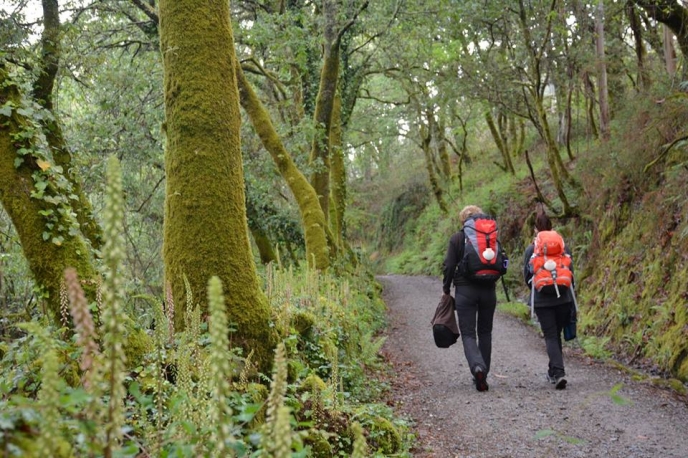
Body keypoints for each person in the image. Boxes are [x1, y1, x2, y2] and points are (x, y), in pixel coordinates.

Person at [442, 205, 497, 392]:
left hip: (465, 291)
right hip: (489, 290)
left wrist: (446, 288)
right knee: (485, 332)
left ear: (463, 221)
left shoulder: (457, 238)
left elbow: (449, 265)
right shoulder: (490, 238)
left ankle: (477, 367)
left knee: (468, 333)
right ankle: (484, 373)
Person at [523, 211, 575, 390]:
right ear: (552, 227)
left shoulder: (532, 250)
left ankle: (559, 372)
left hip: (543, 301)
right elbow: (571, 272)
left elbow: (527, 276)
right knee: (556, 334)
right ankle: (553, 370)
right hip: (564, 298)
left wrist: (540, 288)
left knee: (551, 335)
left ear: (536, 229)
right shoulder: (563, 247)